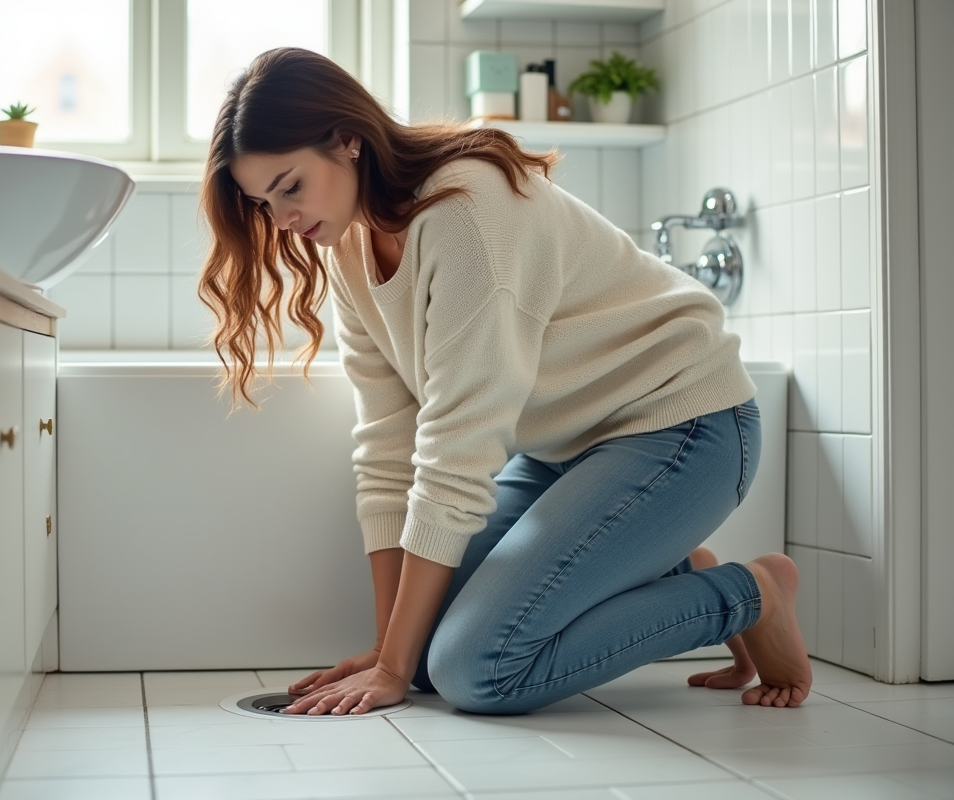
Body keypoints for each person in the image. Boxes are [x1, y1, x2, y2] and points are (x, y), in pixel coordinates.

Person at [197, 47, 812, 716]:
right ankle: (670, 562)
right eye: (264, 202)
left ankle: (749, 594)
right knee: (427, 643)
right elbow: (387, 447)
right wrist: (388, 654)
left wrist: (398, 670)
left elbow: (458, 446)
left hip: (683, 426)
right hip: (564, 453)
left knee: (475, 670)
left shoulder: (466, 211)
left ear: (347, 139)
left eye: (290, 186)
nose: (282, 218)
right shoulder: (347, 245)